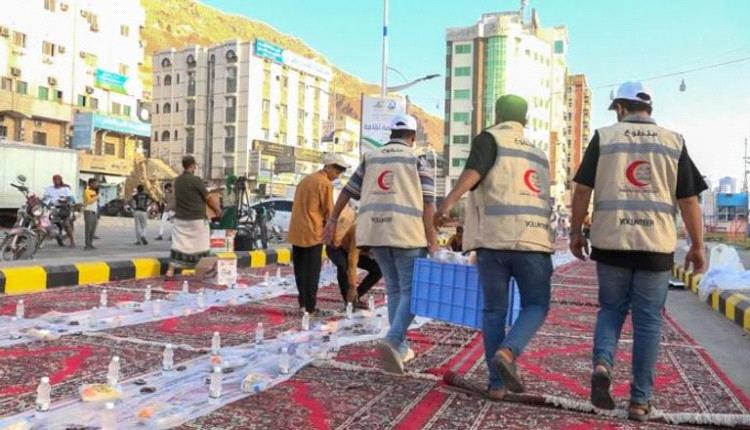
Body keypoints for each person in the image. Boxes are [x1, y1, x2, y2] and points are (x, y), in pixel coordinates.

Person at [569, 81, 707, 421]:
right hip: (654, 248)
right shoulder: (673, 141)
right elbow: (689, 200)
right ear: (649, 108)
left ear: (620, 108)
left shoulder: (604, 137)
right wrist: (697, 246)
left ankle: (603, 364)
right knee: (648, 323)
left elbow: (582, 190)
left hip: (612, 243)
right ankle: (640, 401)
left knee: (611, 311)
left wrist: (575, 232)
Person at [434, 95, 554, 400]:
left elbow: (474, 173)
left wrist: (447, 203)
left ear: (497, 115)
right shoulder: (539, 153)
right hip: (533, 241)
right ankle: (508, 351)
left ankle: (496, 384)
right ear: (525, 120)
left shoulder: (490, 139)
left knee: (494, 310)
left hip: (494, 241)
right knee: (536, 304)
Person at [324, 113, 438, 374]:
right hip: (407, 234)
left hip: (375, 234)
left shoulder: (371, 157)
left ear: (391, 134)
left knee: (395, 289)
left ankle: (401, 348)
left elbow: (348, 191)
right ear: (412, 137)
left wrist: (333, 220)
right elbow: (429, 202)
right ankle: (393, 340)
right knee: (413, 291)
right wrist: (432, 241)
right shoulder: (417, 159)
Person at [288, 153, 350, 316]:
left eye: (340, 172)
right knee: (312, 273)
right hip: (312, 233)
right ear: (328, 167)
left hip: (297, 232)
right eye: (337, 171)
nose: (337, 175)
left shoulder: (305, 180)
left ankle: (303, 304)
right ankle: (310, 308)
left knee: (300, 271)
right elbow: (330, 213)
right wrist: (335, 238)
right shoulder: (325, 184)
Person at [165, 156, 221, 278]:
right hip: (197, 218)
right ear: (193, 166)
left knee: (178, 244)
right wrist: (217, 210)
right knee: (202, 244)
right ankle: (204, 270)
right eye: (195, 165)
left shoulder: (177, 181)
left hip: (180, 219)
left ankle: (170, 271)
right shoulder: (196, 180)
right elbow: (208, 198)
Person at [326, 203, 383, 308]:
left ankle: (355, 298)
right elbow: (352, 262)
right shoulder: (360, 234)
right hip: (336, 247)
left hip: (354, 250)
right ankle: (348, 300)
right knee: (344, 266)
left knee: (378, 270)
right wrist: (352, 287)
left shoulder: (379, 236)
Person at [43, 174, 75, 247]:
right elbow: (45, 198)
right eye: (54, 179)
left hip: (63, 208)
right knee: (45, 222)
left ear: (60, 180)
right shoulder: (49, 189)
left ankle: (72, 241)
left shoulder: (65, 189)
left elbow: (70, 199)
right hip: (51, 208)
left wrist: (65, 200)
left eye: (58, 179)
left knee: (66, 224)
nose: (56, 181)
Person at [82, 178, 99, 250]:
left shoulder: (94, 192)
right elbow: (89, 201)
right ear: (90, 184)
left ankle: (90, 243)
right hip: (88, 211)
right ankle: (87, 244)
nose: (96, 185)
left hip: (94, 211)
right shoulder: (87, 191)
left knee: (93, 229)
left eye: (96, 184)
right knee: (88, 228)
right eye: (95, 183)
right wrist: (96, 197)